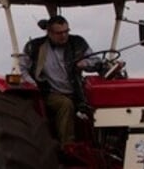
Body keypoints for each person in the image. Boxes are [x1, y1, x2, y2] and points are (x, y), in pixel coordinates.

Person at [18, 15, 100, 145]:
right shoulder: (35, 47)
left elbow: (95, 60)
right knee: (65, 104)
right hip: (48, 92)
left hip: (76, 91)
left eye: (66, 31)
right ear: (49, 33)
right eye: (59, 33)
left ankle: (97, 143)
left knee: (94, 104)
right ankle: (68, 145)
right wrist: (33, 85)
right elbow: (21, 68)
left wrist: (84, 63)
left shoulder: (78, 43)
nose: (64, 36)